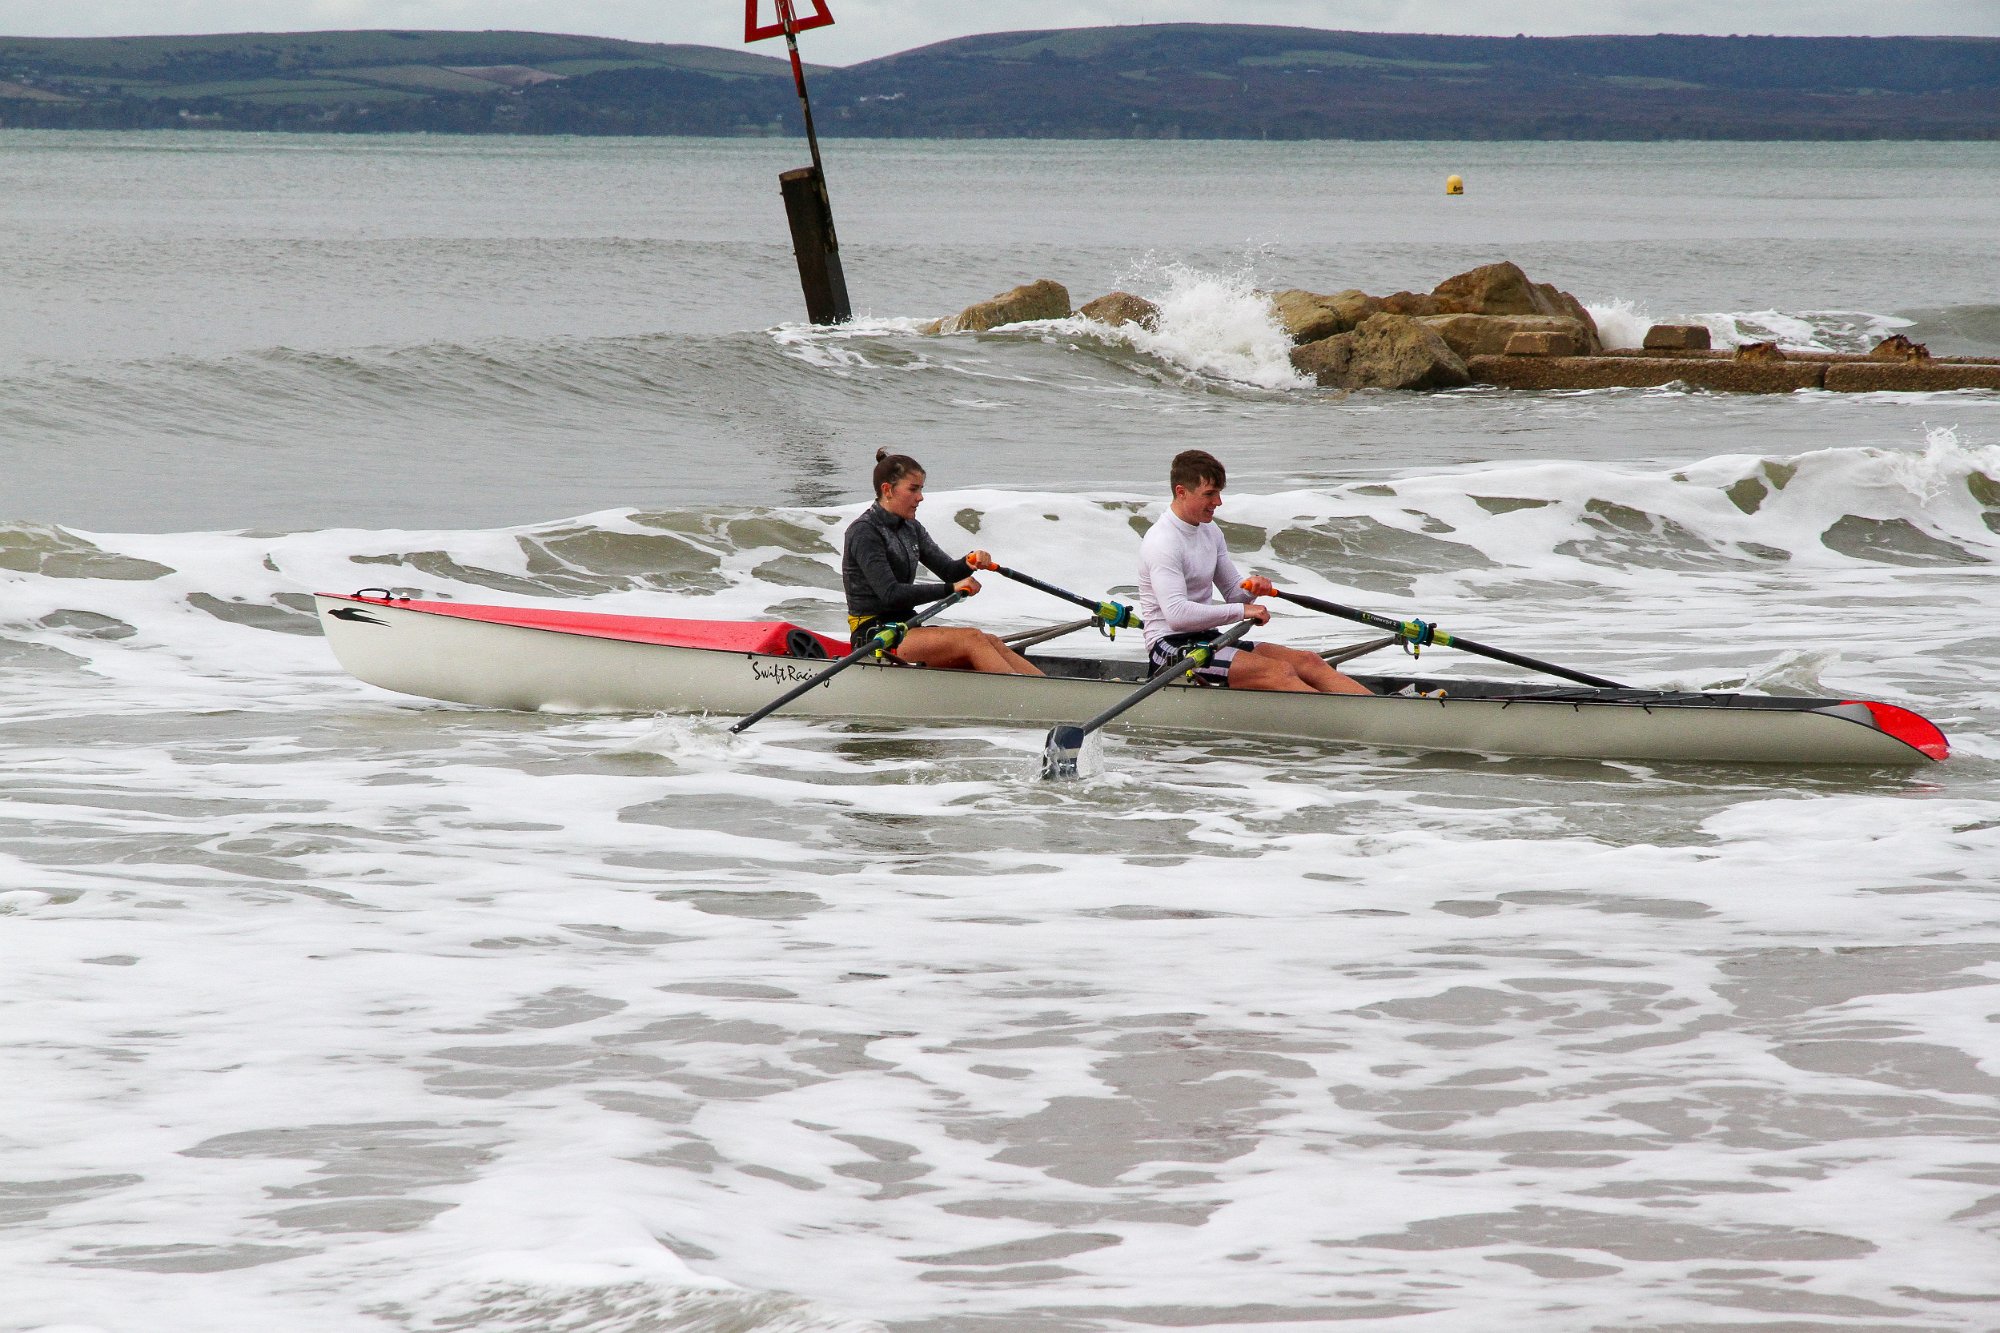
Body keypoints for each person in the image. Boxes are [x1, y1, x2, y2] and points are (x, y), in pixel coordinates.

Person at [1137, 449, 1372, 695]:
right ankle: (1347, 723)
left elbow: (1233, 593)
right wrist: (1242, 610)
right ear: (1181, 492)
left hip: (1208, 639)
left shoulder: (1210, 531)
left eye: (1218, 493)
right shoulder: (1162, 542)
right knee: (1280, 672)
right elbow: (1177, 615)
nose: (1218, 502)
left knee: (1309, 661)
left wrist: (1250, 589)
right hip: (1171, 648)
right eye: (1209, 494)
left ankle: (1376, 711)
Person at [842, 449, 1045, 676]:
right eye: (913, 489)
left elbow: (949, 571)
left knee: (992, 641)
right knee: (973, 639)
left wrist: (970, 561)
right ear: (887, 490)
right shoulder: (864, 532)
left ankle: (1052, 694)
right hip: (875, 637)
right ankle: (1028, 701)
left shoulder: (911, 528)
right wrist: (951, 589)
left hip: (907, 629)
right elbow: (890, 594)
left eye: (921, 489)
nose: (920, 497)